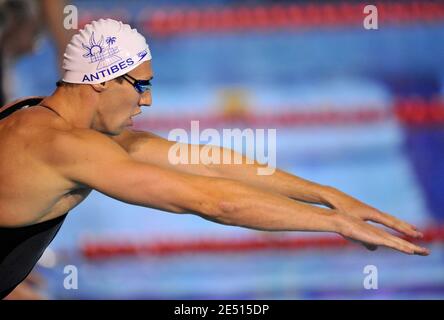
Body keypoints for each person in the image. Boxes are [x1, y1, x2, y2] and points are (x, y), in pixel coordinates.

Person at [0, 18, 429, 299]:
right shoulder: (70, 149)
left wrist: (330, 195)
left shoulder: (30, 111)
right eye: (140, 86)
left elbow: (206, 162)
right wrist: (334, 224)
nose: (148, 100)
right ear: (101, 82)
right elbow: (211, 201)